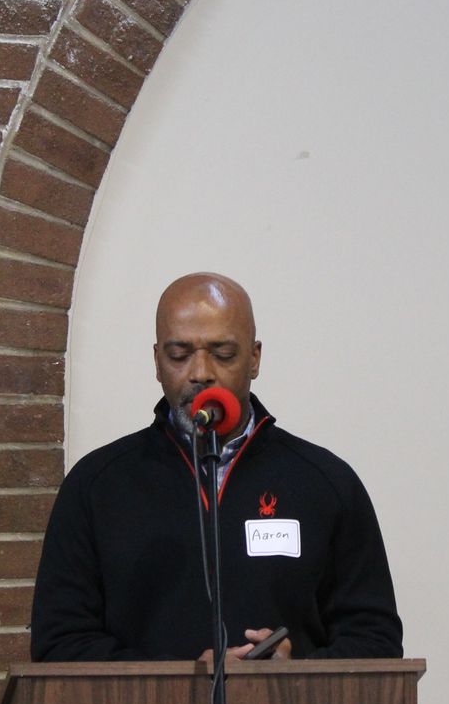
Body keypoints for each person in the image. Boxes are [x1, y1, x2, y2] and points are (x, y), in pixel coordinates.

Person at [30, 272, 403, 662]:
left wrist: (294, 676)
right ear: (157, 361)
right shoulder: (97, 486)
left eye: (223, 353)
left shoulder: (325, 483)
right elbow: (60, 644)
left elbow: (375, 640)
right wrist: (183, 680)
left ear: (255, 358)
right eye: (179, 354)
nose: (201, 372)